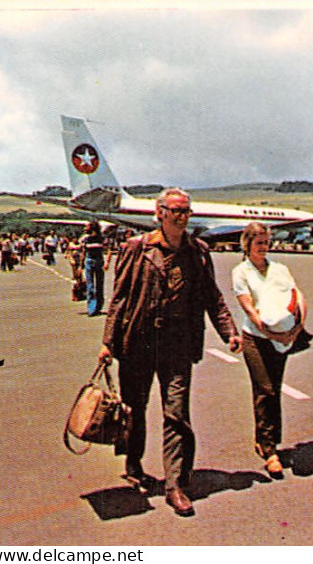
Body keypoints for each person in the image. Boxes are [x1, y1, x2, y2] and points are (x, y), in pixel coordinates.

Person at [99, 189, 241, 517]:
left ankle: (175, 484)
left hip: (178, 344)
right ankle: (134, 462)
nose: (182, 216)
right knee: (134, 408)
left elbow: (213, 298)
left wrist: (229, 332)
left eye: (186, 211)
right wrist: (108, 342)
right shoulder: (137, 248)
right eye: (176, 210)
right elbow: (119, 298)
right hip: (139, 341)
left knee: (177, 413)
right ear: (159, 212)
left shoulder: (198, 251)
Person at [232, 222, 308, 478]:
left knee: (274, 388)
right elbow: (248, 307)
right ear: (247, 244)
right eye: (259, 243)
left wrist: (297, 329)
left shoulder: (280, 269)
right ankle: (270, 450)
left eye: (266, 242)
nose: (264, 248)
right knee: (265, 388)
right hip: (256, 338)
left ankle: (266, 438)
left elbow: (297, 296)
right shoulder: (241, 271)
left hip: (283, 336)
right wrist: (270, 332)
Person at [80, 221, 106, 316]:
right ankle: (92, 308)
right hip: (89, 261)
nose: (84, 229)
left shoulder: (101, 238)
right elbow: (83, 252)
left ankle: (98, 306)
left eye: (86, 227)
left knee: (99, 285)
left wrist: (107, 263)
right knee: (90, 286)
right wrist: (81, 265)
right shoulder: (86, 238)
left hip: (98, 261)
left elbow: (108, 249)